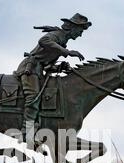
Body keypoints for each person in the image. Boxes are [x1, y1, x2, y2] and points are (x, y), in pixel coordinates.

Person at [14, 13, 91, 147]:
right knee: (33, 97)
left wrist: (59, 66)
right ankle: (26, 133)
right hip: (30, 69)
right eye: (80, 31)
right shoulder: (57, 35)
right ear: (73, 27)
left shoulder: (63, 40)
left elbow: (47, 64)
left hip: (39, 70)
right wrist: (67, 52)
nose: (80, 34)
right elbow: (43, 41)